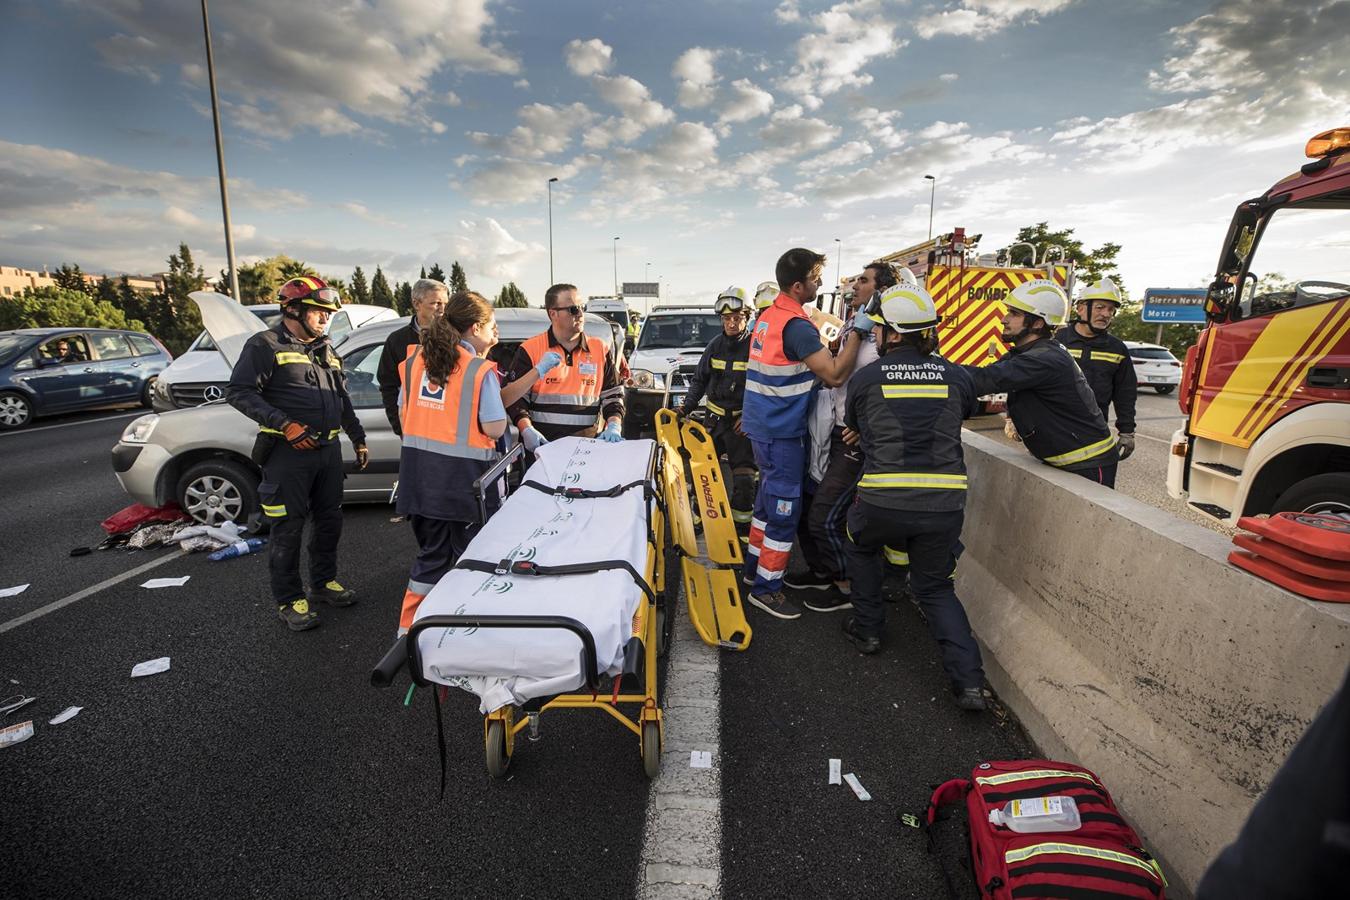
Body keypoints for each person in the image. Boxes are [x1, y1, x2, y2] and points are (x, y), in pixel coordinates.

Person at [841, 282, 987, 711]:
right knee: (937, 589)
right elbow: (964, 412)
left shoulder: (868, 377)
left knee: (861, 547)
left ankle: (867, 629)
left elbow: (857, 425)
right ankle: (969, 684)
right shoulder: (956, 375)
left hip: (882, 500)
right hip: (943, 506)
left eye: (880, 331)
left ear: (894, 334)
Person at [226, 276, 368, 632]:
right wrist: (285, 424)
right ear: (292, 309)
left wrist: (358, 437)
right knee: (287, 528)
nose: (325, 319)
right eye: (319, 312)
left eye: (328, 313)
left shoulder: (325, 348)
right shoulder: (264, 344)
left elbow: (342, 399)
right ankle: (290, 600)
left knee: (329, 522)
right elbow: (239, 392)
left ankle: (322, 584)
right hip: (288, 454)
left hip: (327, 452)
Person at [741, 248, 869, 620]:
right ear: (798, 286)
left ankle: (754, 572)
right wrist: (858, 333)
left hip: (763, 425)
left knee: (765, 506)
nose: (820, 284)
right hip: (782, 430)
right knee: (783, 510)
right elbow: (833, 374)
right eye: (815, 279)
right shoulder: (796, 325)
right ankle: (767, 588)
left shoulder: (769, 316)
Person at [395, 292, 510, 635]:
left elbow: (404, 413)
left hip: (419, 480)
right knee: (471, 562)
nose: (495, 331)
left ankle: (409, 630)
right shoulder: (478, 370)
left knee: (431, 558)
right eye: (491, 325)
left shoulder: (416, 360)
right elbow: (494, 427)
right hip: (463, 487)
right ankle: (466, 630)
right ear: (476, 328)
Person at [792, 261, 901, 608]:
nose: (855, 286)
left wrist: (864, 425)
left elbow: (893, 391)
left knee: (825, 514)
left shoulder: (892, 335)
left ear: (881, 290)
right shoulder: (855, 324)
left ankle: (847, 586)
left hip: (857, 438)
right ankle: (822, 571)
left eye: (864, 281)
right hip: (832, 428)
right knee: (807, 503)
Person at [963, 279, 1120, 487]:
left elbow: (986, 379)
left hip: (1087, 465)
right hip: (1071, 462)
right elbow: (982, 377)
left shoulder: (1044, 359)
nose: (1004, 319)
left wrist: (932, 370)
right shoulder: (1029, 353)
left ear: (1037, 323)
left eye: (1014, 314)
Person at [505, 283, 625, 450]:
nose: (581, 314)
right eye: (573, 309)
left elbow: (613, 396)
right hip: (542, 449)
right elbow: (516, 399)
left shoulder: (600, 348)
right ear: (553, 314)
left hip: (586, 450)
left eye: (582, 307)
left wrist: (614, 425)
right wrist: (526, 429)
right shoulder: (530, 349)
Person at [681, 286, 755, 523]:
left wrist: (751, 417)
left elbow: (764, 388)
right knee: (700, 471)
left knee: (744, 480)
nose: (731, 324)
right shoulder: (714, 345)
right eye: (726, 319)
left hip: (740, 425)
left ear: (746, 317)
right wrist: (685, 408)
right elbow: (699, 380)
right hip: (714, 422)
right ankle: (699, 517)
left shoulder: (756, 348)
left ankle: (741, 529)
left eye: (737, 318)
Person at [1055, 278, 1137, 462]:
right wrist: (1014, 418)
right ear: (1081, 308)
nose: (1106, 314)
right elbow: (1029, 380)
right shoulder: (1057, 341)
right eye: (1100, 307)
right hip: (1054, 429)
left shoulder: (1117, 349)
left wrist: (1127, 432)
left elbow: (1125, 393)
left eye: (1111, 309)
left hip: (1093, 432)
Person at [378, 278, 448, 436]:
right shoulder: (397, 341)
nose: (442, 309)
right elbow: (388, 386)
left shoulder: (457, 338)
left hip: (449, 429)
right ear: (417, 304)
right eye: (436, 303)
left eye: (445, 303)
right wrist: (400, 427)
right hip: (414, 431)